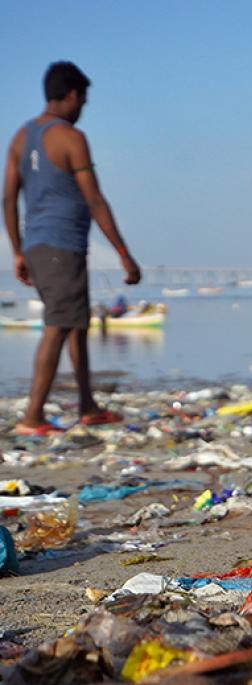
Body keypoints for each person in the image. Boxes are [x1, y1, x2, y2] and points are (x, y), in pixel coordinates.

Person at [2, 61, 141, 436]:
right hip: (61, 246)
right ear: (72, 95)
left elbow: (8, 198)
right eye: (83, 100)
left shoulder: (20, 136)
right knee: (60, 325)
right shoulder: (70, 138)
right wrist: (123, 253)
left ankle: (87, 405)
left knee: (77, 324)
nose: (83, 108)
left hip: (37, 246)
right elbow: (95, 199)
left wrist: (17, 250)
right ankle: (32, 417)